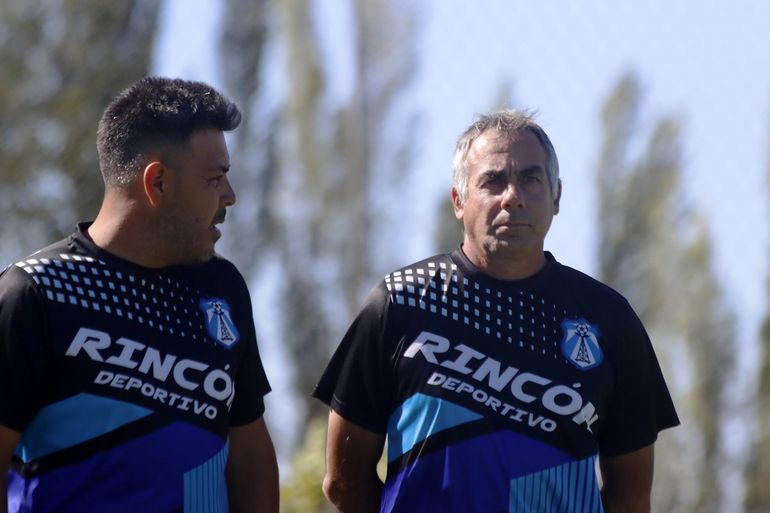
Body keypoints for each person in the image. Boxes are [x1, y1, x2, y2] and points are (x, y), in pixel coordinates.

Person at [313, 109, 679, 513]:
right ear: (459, 200)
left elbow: (630, 497)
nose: (513, 196)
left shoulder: (610, 320)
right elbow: (344, 482)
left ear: (556, 195)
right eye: (493, 180)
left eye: (530, 178)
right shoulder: (401, 303)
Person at [0, 77, 278, 513]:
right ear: (158, 182)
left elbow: (250, 454)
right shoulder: (36, 293)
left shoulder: (222, 289)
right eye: (215, 178)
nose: (230, 196)